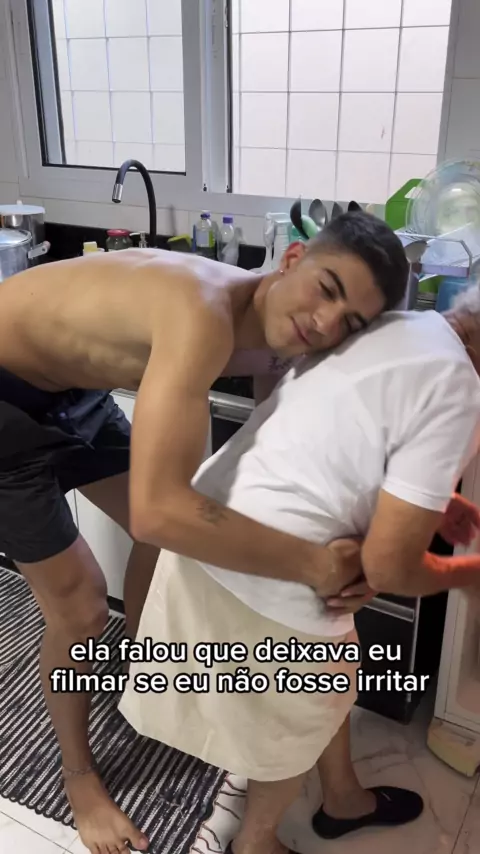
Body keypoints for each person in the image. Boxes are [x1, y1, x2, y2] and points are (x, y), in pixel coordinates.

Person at [0, 211, 408, 854]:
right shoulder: (202, 313)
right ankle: (79, 781)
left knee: (164, 542)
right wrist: (311, 565)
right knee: (81, 607)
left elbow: (278, 455)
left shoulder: (286, 337)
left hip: (73, 391)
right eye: (327, 290)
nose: (327, 322)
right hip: (4, 401)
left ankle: (148, 676)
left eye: (350, 322)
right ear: (292, 259)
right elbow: (162, 509)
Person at [119, 288, 480, 854]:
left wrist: (433, 499)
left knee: (329, 682)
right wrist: (468, 574)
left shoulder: (397, 325)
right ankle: (255, 844)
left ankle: (342, 797)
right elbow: (390, 566)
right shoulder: (459, 389)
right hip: (270, 571)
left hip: (212, 532)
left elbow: (352, 442)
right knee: (290, 728)